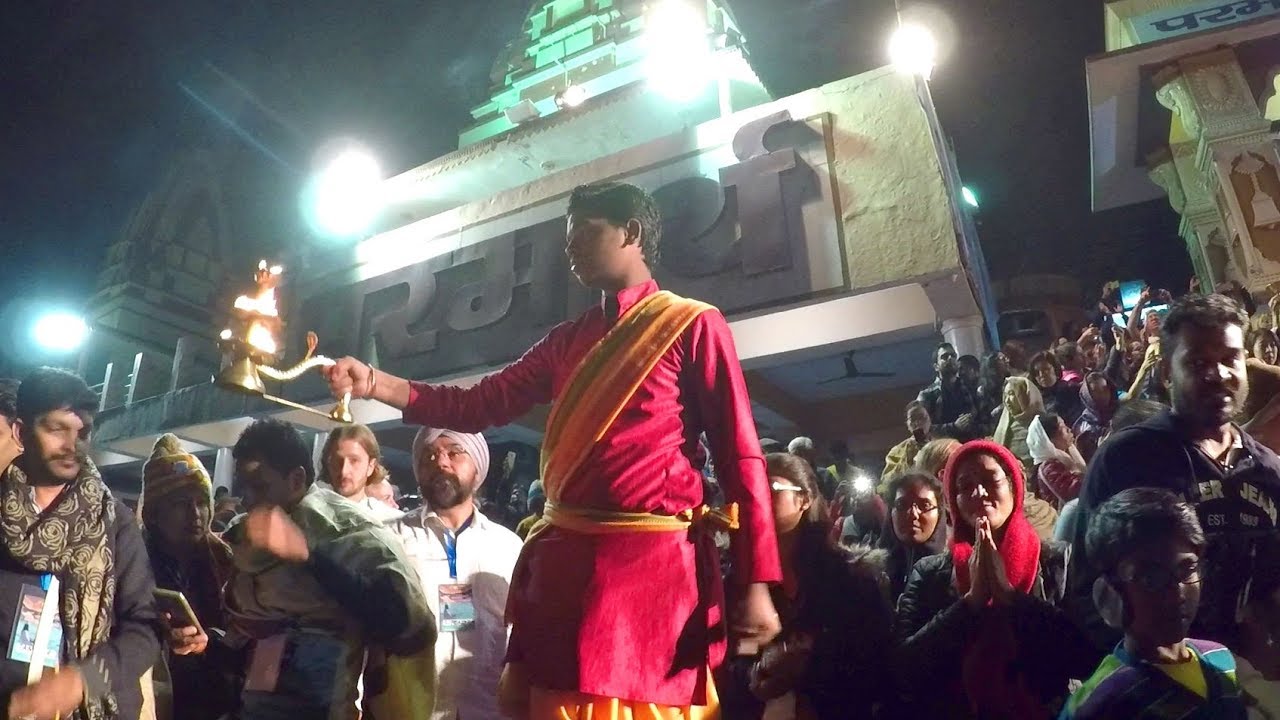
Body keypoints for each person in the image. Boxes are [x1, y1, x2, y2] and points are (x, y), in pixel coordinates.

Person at [323, 181, 781, 717]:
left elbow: (741, 459)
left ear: (630, 232)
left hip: (650, 575)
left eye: (583, 232)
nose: (569, 247)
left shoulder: (694, 324)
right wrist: (375, 382)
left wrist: (756, 582)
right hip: (564, 567)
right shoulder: (567, 340)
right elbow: (479, 404)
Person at [1067, 293, 1280, 683]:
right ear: (1166, 372)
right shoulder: (1127, 458)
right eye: (1198, 362)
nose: (1218, 373)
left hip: (1247, 687)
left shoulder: (1268, 472)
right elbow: (1088, 590)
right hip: (1158, 687)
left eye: (1230, 358)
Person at [221, 418, 436, 720]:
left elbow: (406, 623)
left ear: (296, 480)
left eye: (259, 486)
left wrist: (310, 558)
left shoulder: (348, 529)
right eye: (244, 488)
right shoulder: (244, 538)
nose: (248, 500)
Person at [0, 368, 160, 720]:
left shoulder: (115, 522)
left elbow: (145, 629)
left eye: (83, 432)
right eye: (57, 429)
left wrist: (81, 681)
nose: (72, 445)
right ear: (21, 432)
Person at [894, 441, 1097, 719]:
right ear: (953, 500)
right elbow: (906, 670)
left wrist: (1012, 598)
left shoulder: (1056, 562)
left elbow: (1087, 658)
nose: (979, 493)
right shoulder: (930, 573)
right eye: (965, 487)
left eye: (990, 481)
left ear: (1013, 485)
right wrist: (969, 603)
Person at [720, 453, 892, 720]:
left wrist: (808, 670)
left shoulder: (852, 576)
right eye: (750, 489)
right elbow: (726, 660)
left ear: (804, 499)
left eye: (770, 488)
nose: (756, 497)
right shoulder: (738, 581)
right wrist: (756, 677)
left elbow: (874, 661)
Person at [1061, 488, 1247, 719]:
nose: (1176, 592)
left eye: (1187, 569)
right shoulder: (1101, 703)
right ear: (1109, 591)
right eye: (1150, 578)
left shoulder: (1220, 660)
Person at [386, 428, 522, 720]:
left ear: (477, 469)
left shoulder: (508, 545)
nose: (440, 462)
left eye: (454, 452)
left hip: (489, 708)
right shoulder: (390, 539)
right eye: (429, 455)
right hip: (410, 709)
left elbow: (524, 634)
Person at [143, 434, 239, 720]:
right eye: (181, 504)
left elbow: (249, 636)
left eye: (201, 502)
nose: (195, 514)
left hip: (218, 699)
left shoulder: (228, 561)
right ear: (155, 514)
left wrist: (211, 640)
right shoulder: (134, 561)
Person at [877, 470, 947, 603]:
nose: (913, 514)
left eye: (925, 505)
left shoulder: (956, 572)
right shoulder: (871, 573)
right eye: (902, 505)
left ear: (939, 512)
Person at [318, 424, 403, 521]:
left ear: (370, 466)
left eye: (354, 460)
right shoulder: (309, 516)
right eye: (337, 461)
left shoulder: (392, 521)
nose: (344, 470)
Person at [916, 342, 977, 440]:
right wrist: (954, 426)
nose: (950, 358)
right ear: (936, 366)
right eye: (944, 357)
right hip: (943, 451)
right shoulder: (926, 394)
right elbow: (919, 431)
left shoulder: (970, 388)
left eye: (953, 355)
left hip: (972, 448)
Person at [1027, 413, 1085, 509]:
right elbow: (1077, 493)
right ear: (1048, 440)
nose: (1069, 429)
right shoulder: (1049, 468)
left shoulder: (1066, 458)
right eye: (1063, 428)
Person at [993, 375, 1045, 475]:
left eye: (1011, 394)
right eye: (1005, 395)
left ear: (1026, 395)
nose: (1007, 400)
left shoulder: (1042, 424)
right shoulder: (1005, 423)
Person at [880, 401, 930, 490]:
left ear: (930, 420)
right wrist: (907, 460)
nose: (918, 422)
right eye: (913, 419)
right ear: (907, 424)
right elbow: (886, 481)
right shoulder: (896, 451)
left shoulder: (943, 445)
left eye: (922, 417)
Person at [1073, 372, 1117, 462]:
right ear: (1087, 395)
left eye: (1105, 389)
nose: (1102, 395)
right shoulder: (1083, 427)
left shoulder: (1123, 412)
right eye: (1095, 391)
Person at [1031, 351, 1083, 424]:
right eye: (1037, 372)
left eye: (1046, 369)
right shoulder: (1036, 401)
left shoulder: (1072, 388)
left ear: (1055, 369)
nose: (1041, 375)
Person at [786, 437, 837, 501]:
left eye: (804, 453)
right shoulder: (787, 476)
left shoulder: (824, 475)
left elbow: (832, 499)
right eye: (797, 454)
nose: (802, 458)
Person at [975, 352, 1010, 437]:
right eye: (1002, 359)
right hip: (997, 432)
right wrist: (1001, 408)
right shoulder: (982, 390)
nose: (1007, 361)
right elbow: (984, 418)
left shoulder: (1011, 381)